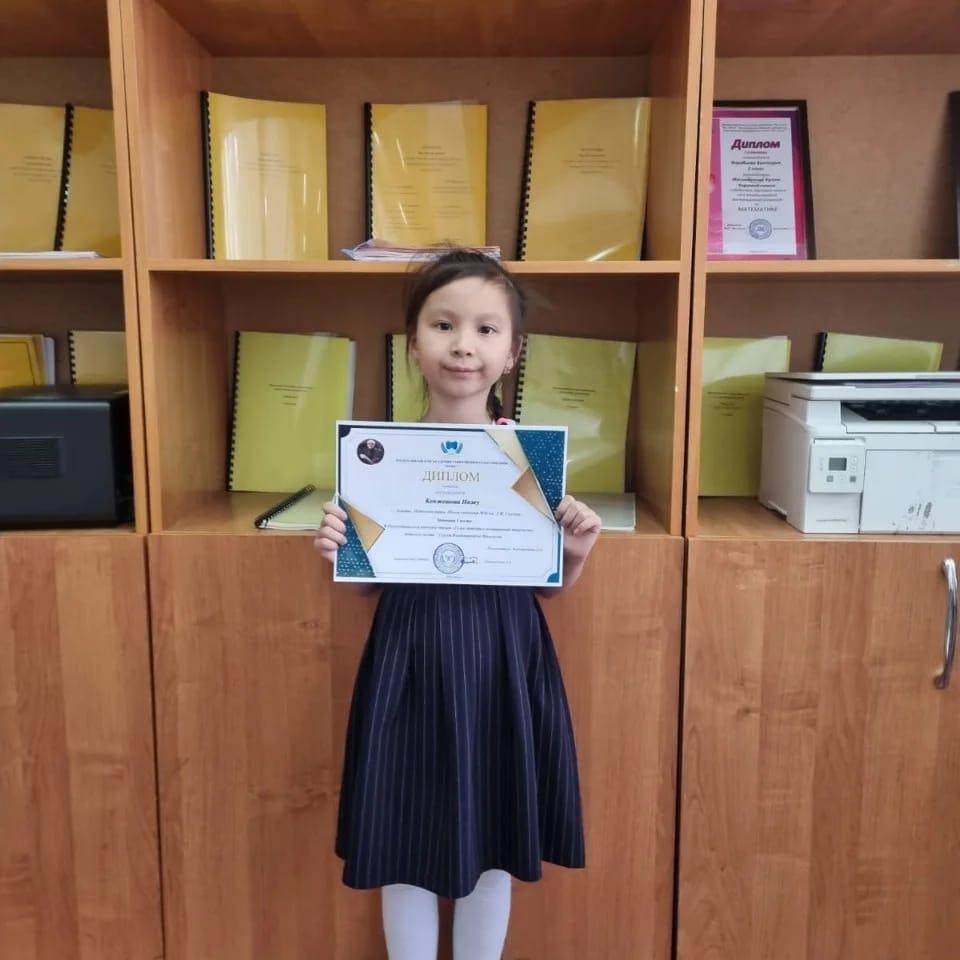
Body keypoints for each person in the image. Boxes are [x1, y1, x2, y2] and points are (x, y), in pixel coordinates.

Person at [314, 249, 601, 960]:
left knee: (494, 846)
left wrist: (574, 552)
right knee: (403, 842)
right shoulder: (380, 458)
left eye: (485, 329)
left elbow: (544, 585)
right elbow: (371, 582)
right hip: (409, 660)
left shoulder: (527, 459)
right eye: (443, 325)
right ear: (413, 344)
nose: (463, 345)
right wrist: (340, 551)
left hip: (502, 660)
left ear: (512, 351)